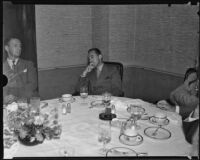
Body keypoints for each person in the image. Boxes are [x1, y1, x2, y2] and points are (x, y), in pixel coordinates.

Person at [3, 37, 38, 104]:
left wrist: (16, 98)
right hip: (8, 106)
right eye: (15, 45)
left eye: (20, 46)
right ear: (7, 48)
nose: (19, 48)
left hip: (28, 103)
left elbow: (32, 85)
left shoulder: (28, 64)